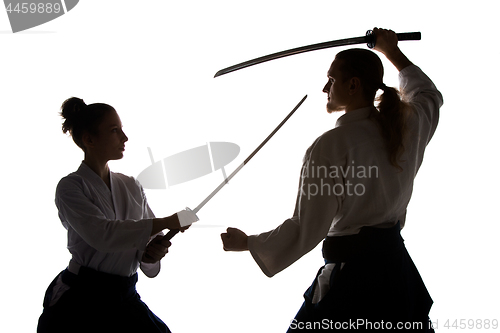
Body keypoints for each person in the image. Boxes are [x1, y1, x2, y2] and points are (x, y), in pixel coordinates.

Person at [221, 28, 442, 331]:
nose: (326, 87)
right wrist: (391, 51)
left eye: (332, 79)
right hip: (397, 277)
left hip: (354, 284)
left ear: (353, 85)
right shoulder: (408, 125)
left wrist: (248, 243)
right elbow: (427, 95)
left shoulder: (330, 146)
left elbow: (306, 228)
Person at [37, 98, 199, 333]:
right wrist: (168, 221)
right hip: (81, 298)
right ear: (89, 139)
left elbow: (148, 243)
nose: (124, 138)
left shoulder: (132, 186)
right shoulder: (70, 187)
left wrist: (152, 254)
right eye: (115, 131)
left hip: (125, 295)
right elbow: (103, 235)